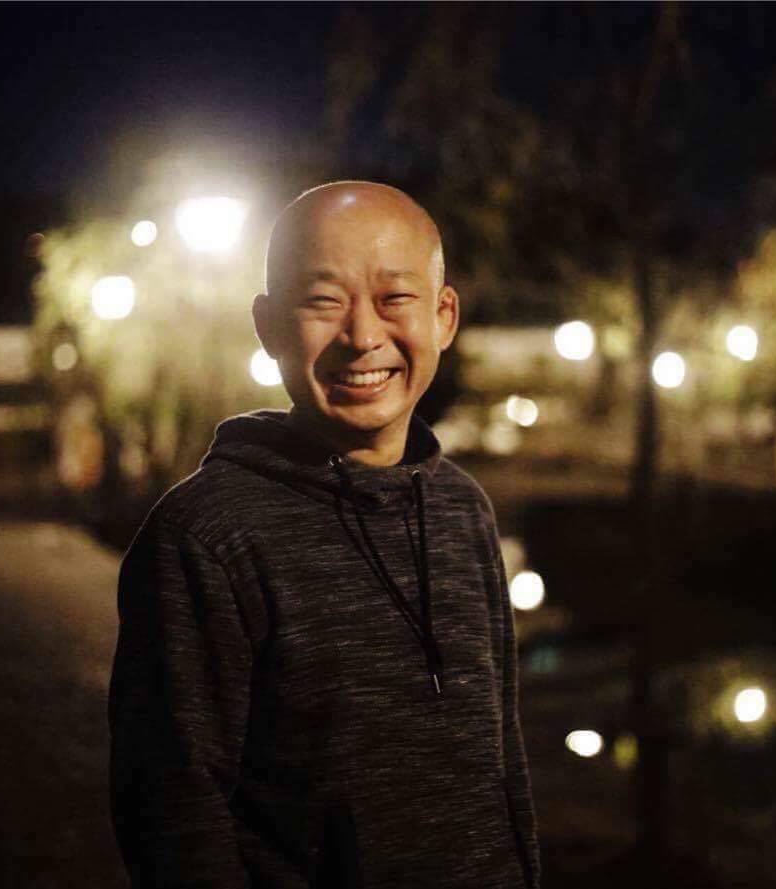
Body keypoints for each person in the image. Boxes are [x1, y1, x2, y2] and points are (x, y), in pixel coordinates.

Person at [107, 180, 541, 889]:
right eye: (323, 300)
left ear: (443, 316)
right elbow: (173, 812)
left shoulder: (463, 509)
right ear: (269, 325)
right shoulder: (206, 536)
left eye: (394, 297)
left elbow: (502, 758)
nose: (362, 336)